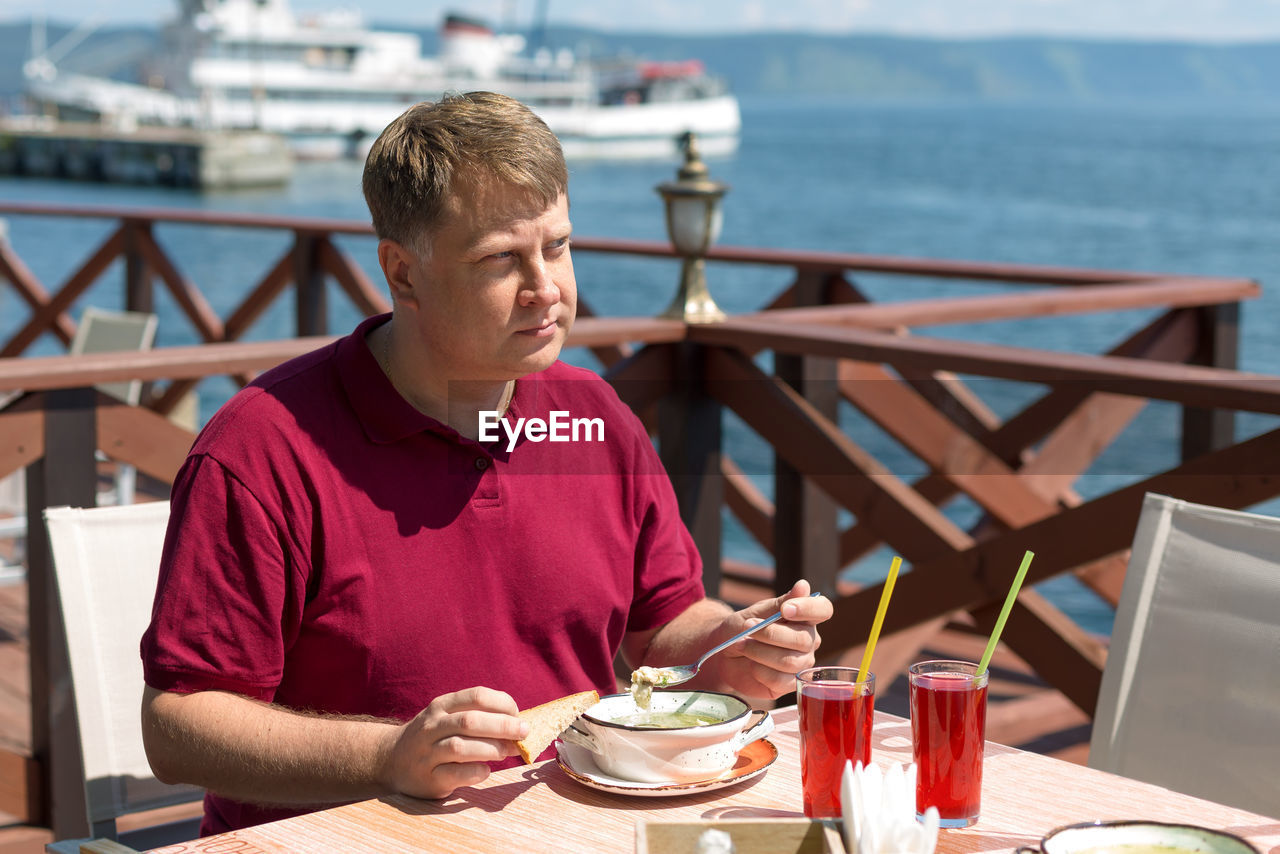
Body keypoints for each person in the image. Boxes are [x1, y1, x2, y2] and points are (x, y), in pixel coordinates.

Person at [140, 91, 833, 835]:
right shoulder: (260, 450)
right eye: (502, 259)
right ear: (403, 274)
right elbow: (179, 726)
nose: (548, 289)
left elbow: (663, 623)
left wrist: (731, 647)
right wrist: (389, 756)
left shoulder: (593, 416)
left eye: (558, 247)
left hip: (574, 831)